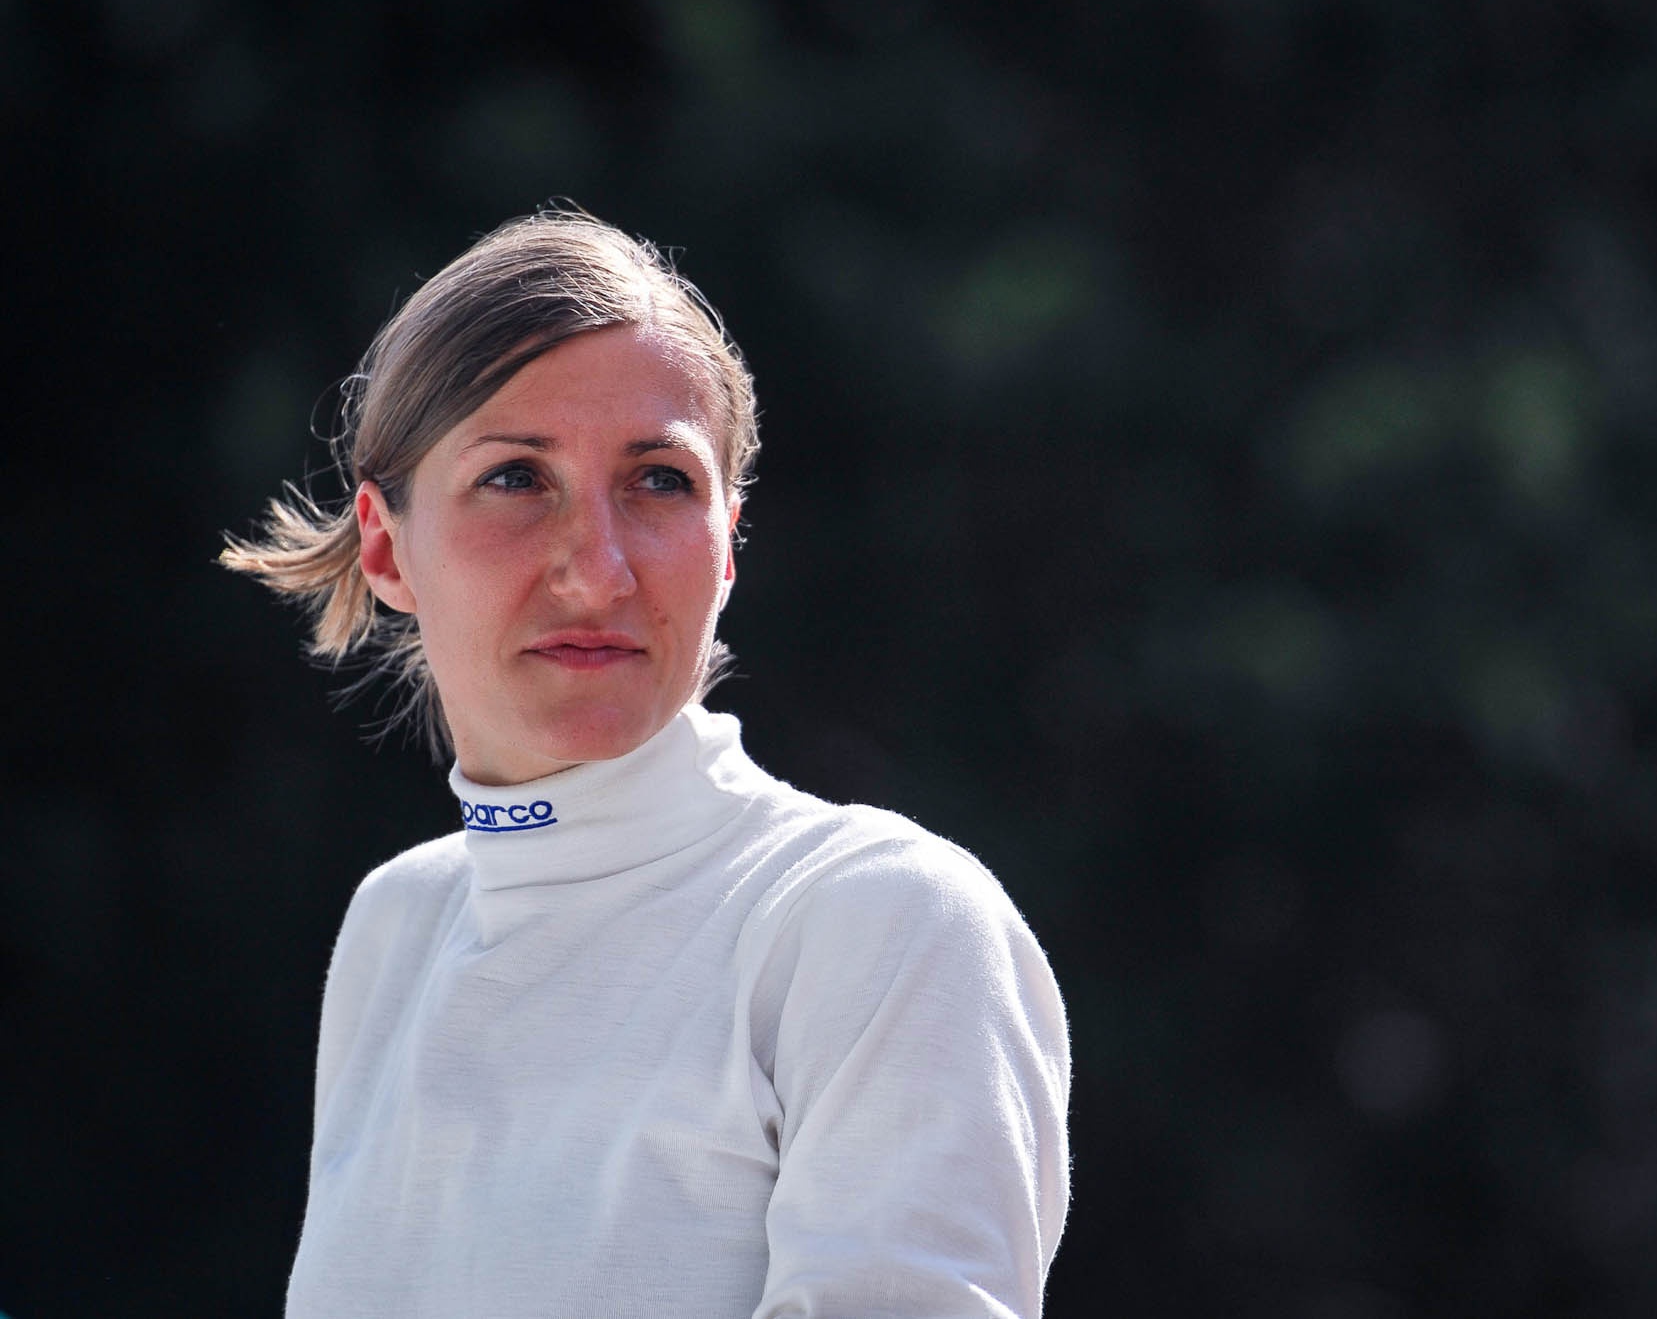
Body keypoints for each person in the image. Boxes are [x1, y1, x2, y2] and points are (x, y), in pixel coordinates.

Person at [220, 210, 1071, 1318]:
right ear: (386, 546)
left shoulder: (878, 918)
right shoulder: (397, 927)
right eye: (516, 477)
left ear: (727, 541)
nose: (598, 570)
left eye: (660, 481)